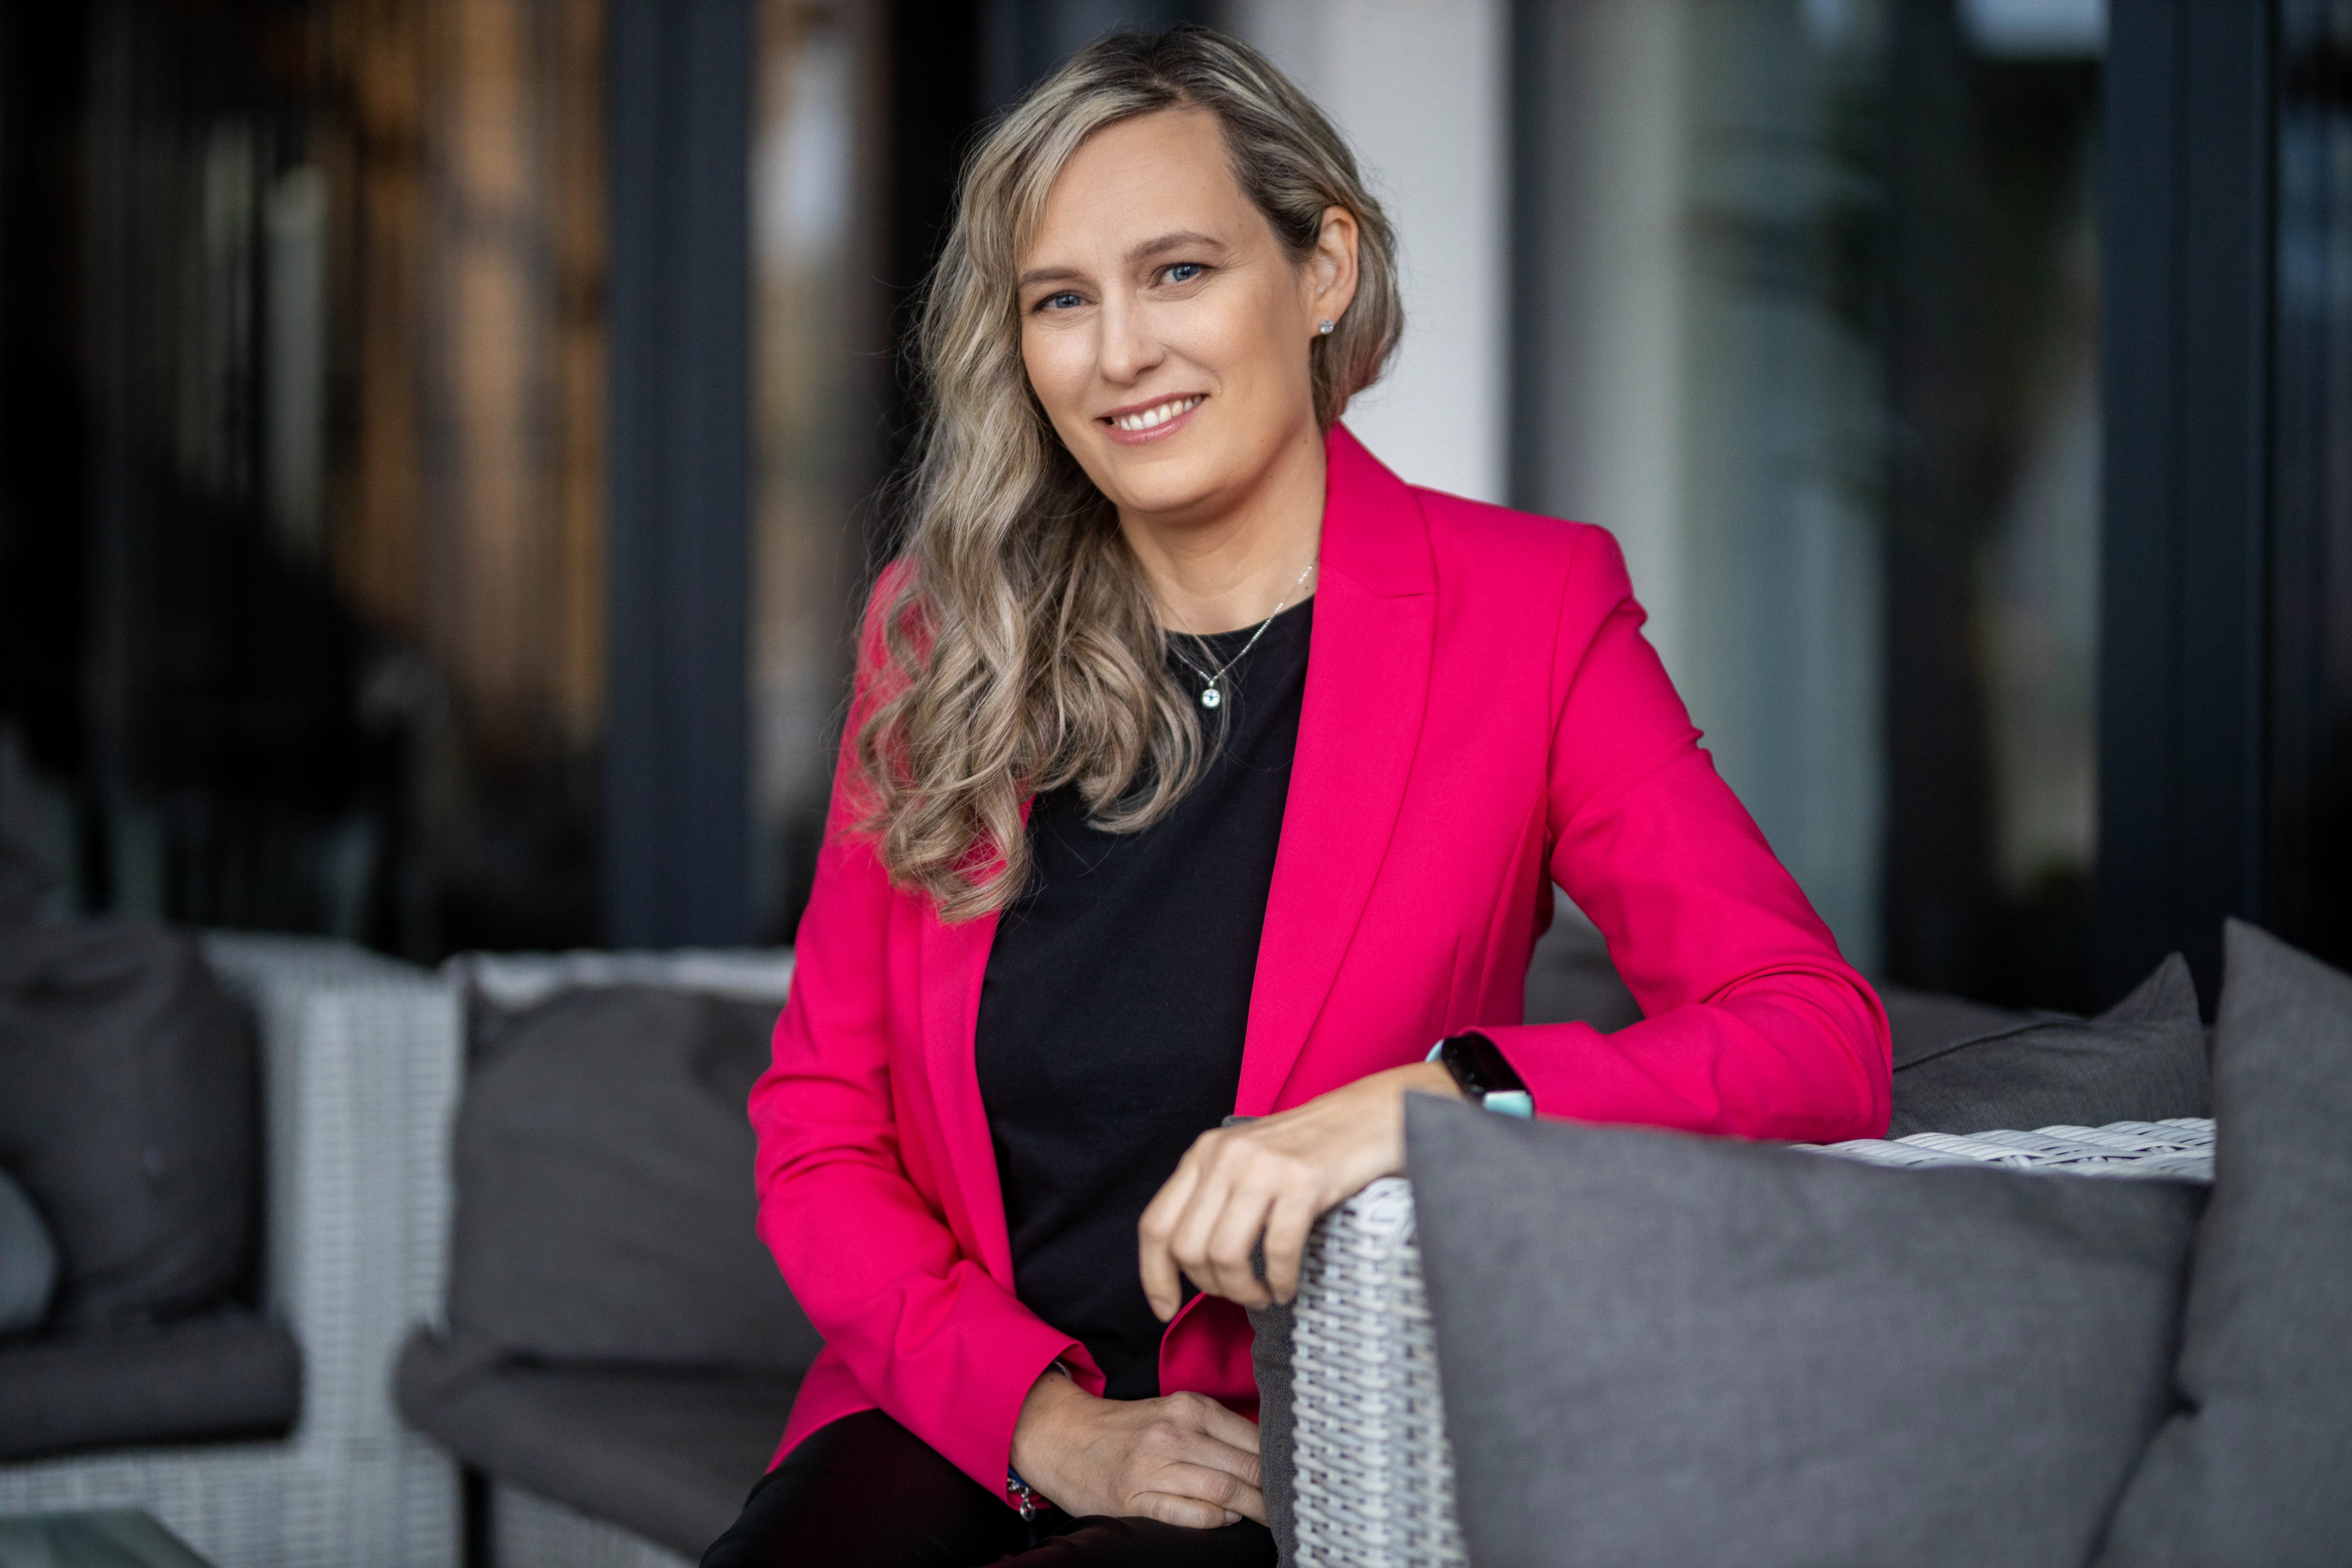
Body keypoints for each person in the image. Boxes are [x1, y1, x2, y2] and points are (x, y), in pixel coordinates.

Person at [704, 24, 1890, 1567]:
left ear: (1322, 267)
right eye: (1062, 300)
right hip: (959, 1405)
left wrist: (1430, 1104)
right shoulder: (940, 634)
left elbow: (1815, 1036)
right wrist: (1047, 1426)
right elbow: (821, 1129)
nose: (1120, 352)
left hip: (1298, 1438)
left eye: (1179, 272)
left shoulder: (1529, 616)